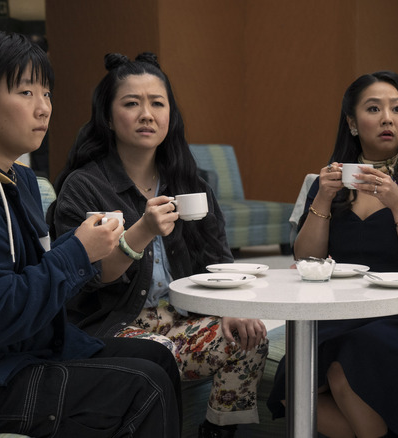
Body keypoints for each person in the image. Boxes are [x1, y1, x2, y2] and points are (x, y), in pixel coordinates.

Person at [0, 31, 180, 437]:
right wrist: (77, 252)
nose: (43, 109)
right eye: (25, 93)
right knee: (143, 386)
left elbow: (29, 276)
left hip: (12, 357)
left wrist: (86, 248)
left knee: (155, 358)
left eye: (47, 94)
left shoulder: (17, 179)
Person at [49, 52, 269, 438]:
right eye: (131, 103)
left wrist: (231, 310)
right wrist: (144, 228)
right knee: (158, 352)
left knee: (249, 337)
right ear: (108, 116)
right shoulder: (85, 186)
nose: (146, 114)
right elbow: (84, 279)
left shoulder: (189, 181)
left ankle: (216, 432)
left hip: (181, 319)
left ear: (171, 114)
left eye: (157, 103)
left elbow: (220, 258)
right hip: (114, 325)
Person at [268, 71, 398, 437]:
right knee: (294, 389)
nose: (388, 118)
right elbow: (308, 260)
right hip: (339, 313)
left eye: (397, 109)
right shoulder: (329, 184)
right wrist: (322, 196)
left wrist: (397, 200)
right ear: (352, 123)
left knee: (344, 371)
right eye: (374, 109)